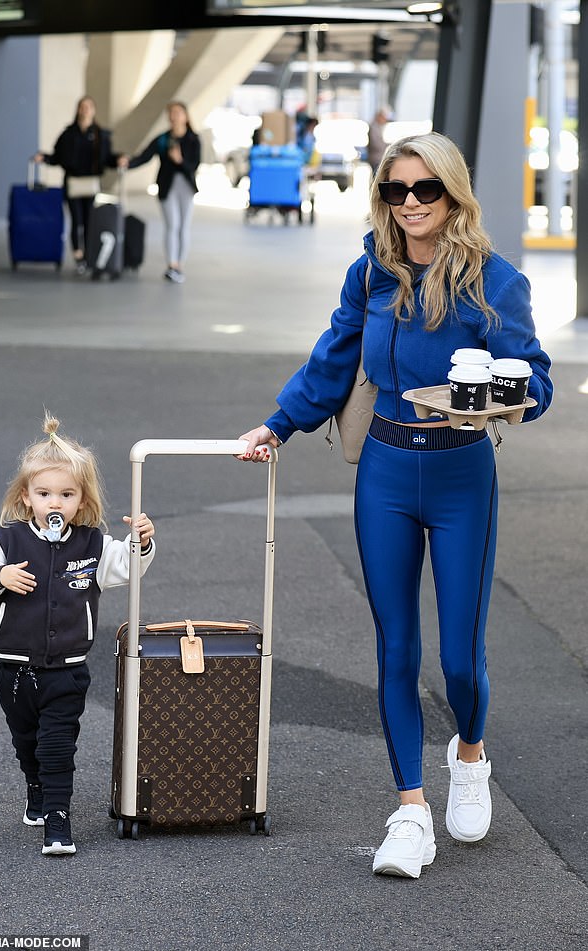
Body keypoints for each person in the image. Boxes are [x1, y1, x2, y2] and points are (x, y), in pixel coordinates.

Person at [238, 132, 553, 879]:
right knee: (396, 648)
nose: (409, 203)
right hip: (383, 467)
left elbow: (534, 379)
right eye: (394, 190)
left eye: (425, 190)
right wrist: (279, 422)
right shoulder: (373, 271)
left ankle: (469, 753)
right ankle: (410, 809)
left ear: (453, 194)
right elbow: (335, 354)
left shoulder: (493, 279)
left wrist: (505, 399)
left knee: (459, 661)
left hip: (460, 472)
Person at [0, 412, 156, 857]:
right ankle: (34, 786)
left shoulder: (91, 545)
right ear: (26, 497)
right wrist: (0, 576)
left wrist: (141, 543)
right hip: (13, 669)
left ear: (81, 500)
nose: (55, 503)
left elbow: (126, 568)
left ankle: (57, 818)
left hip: (66, 671)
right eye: (45, 493)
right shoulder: (7, 540)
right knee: (26, 741)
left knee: (57, 745)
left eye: (66, 495)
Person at [34, 96, 124, 271]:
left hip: (90, 183)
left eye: (89, 107)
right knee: (77, 219)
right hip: (73, 182)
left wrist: (119, 159)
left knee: (90, 219)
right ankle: (78, 254)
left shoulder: (100, 135)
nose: (85, 110)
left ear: (94, 110)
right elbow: (57, 156)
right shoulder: (68, 134)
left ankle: (90, 253)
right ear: (78, 110)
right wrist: (44, 158)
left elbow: (107, 158)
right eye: (82, 107)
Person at [121, 101, 201, 284]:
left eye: (178, 112)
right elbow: (144, 156)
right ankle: (171, 265)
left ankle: (180, 264)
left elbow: (194, 164)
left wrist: (179, 160)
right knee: (172, 226)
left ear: (185, 116)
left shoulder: (193, 139)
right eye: (171, 113)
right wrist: (128, 163)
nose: (174, 116)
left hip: (186, 188)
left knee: (183, 227)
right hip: (167, 187)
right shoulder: (163, 139)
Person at [367, 107, 391, 176]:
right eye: (384, 117)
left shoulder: (378, 127)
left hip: (377, 158)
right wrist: (386, 145)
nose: (385, 120)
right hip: (375, 158)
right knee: (376, 177)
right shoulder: (373, 127)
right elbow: (376, 144)